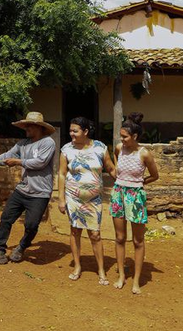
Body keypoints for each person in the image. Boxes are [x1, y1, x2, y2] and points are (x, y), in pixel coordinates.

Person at [0, 111, 56, 265]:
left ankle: (22, 247)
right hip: (22, 189)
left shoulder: (48, 143)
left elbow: (40, 162)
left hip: (40, 193)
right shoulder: (22, 144)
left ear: (38, 127)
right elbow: (8, 155)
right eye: (25, 125)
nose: (26, 128)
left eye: (29, 125)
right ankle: (0, 251)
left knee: (31, 225)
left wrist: (18, 162)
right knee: (6, 218)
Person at [58, 117, 116, 283]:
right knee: (75, 230)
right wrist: (61, 199)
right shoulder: (66, 149)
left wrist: (127, 182)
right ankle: (77, 266)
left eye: (75, 131)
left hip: (94, 199)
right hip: (73, 197)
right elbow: (62, 174)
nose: (72, 134)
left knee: (95, 234)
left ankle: (101, 270)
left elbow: (111, 169)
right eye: (70, 130)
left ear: (85, 131)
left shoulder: (100, 148)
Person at [111, 112, 159, 294]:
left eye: (125, 137)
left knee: (138, 240)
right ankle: (121, 275)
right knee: (120, 238)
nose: (122, 140)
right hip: (118, 195)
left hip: (136, 196)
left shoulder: (144, 153)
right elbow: (116, 167)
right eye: (121, 136)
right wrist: (120, 180)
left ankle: (136, 281)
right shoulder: (118, 149)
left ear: (135, 136)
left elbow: (155, 175)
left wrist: (138, 184)